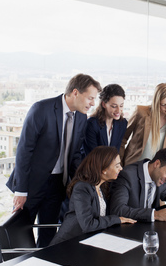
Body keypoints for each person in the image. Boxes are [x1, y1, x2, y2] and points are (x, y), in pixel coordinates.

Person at [6, 73, 102, 247]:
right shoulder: (41, 109)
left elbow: (74, 155)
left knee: (48, 233)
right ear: (75, 93)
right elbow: (24, 150)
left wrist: (81, 183)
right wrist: (20, 190)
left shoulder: (81, 117)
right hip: (31, 184)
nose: (92, 103)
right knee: (20, 234)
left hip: (58, 184)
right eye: (90, 98)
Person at [120, 83, 166, 199]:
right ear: (156, 103)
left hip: (157, 175)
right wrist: (119, 166)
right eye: (163, 105)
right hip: (133, 170)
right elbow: (122, 139)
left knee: (153, 209)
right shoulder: (141, 112)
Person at [50, 146, 136, 245]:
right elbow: (88, 224)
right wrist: (117, 219)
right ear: (104, 169)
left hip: (86, 243)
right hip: (66, 246)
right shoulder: (82, 188)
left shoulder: (101, 187)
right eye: (117, 165)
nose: (121, 168)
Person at [109, 148, 166, 222]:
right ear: (157, 164)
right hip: (127, 233)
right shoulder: (127, 176)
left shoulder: (158, 176)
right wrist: (155, 215)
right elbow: (117, 209)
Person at [83, 84, 127, 155]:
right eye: (114, 106)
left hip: (111, 164)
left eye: (121, 105)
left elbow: (116, 152)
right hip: (92, 164)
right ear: (104, 104)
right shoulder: (92, 124)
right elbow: (93, 155)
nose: (119, 110)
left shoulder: (122, 123)